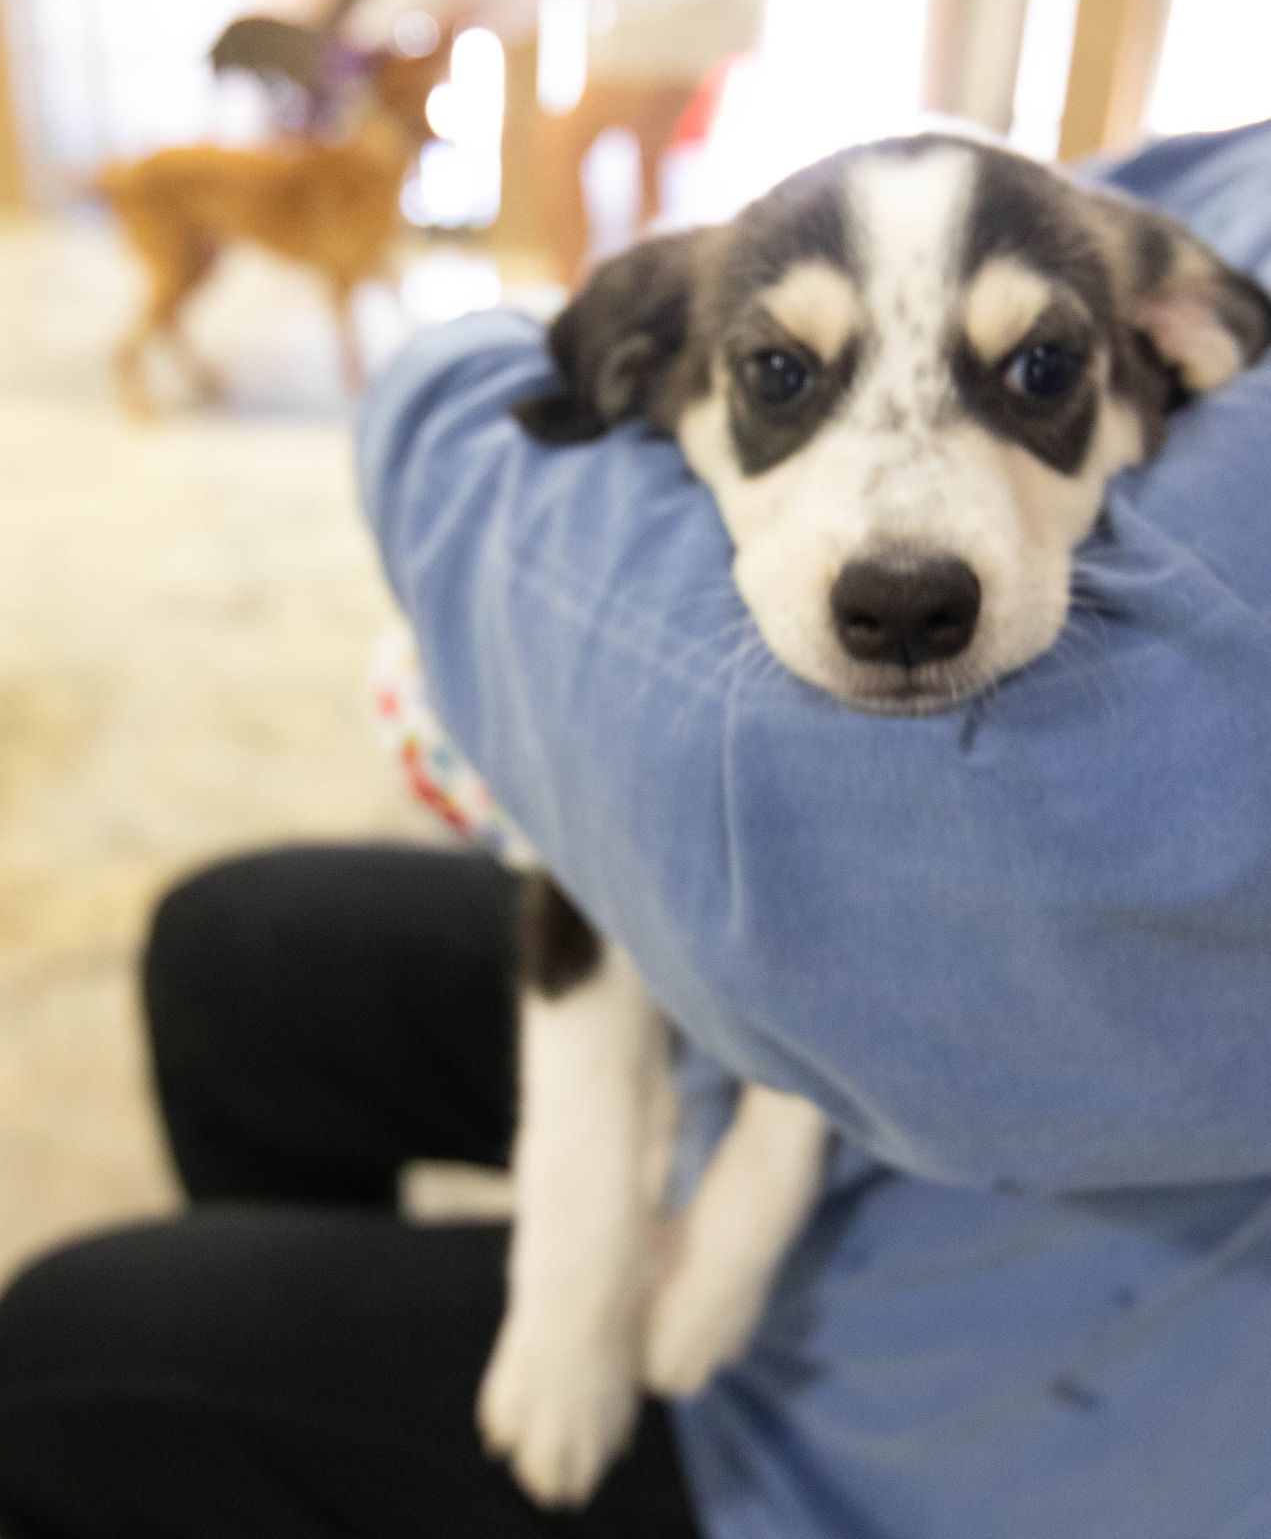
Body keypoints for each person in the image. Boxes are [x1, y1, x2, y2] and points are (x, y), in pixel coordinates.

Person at [2, 120, 1271, 1538]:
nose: (907, 552)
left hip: (960, 1385)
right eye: (785, 376)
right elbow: (617, 852)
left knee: (69, 1354)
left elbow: (791, 835)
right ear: (662, 371)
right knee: (227, 947)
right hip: (789, 1081)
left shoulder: (1203, 319)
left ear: (1168, 346)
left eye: (1036, 372)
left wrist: (458, 422)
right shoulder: (1189, 192)